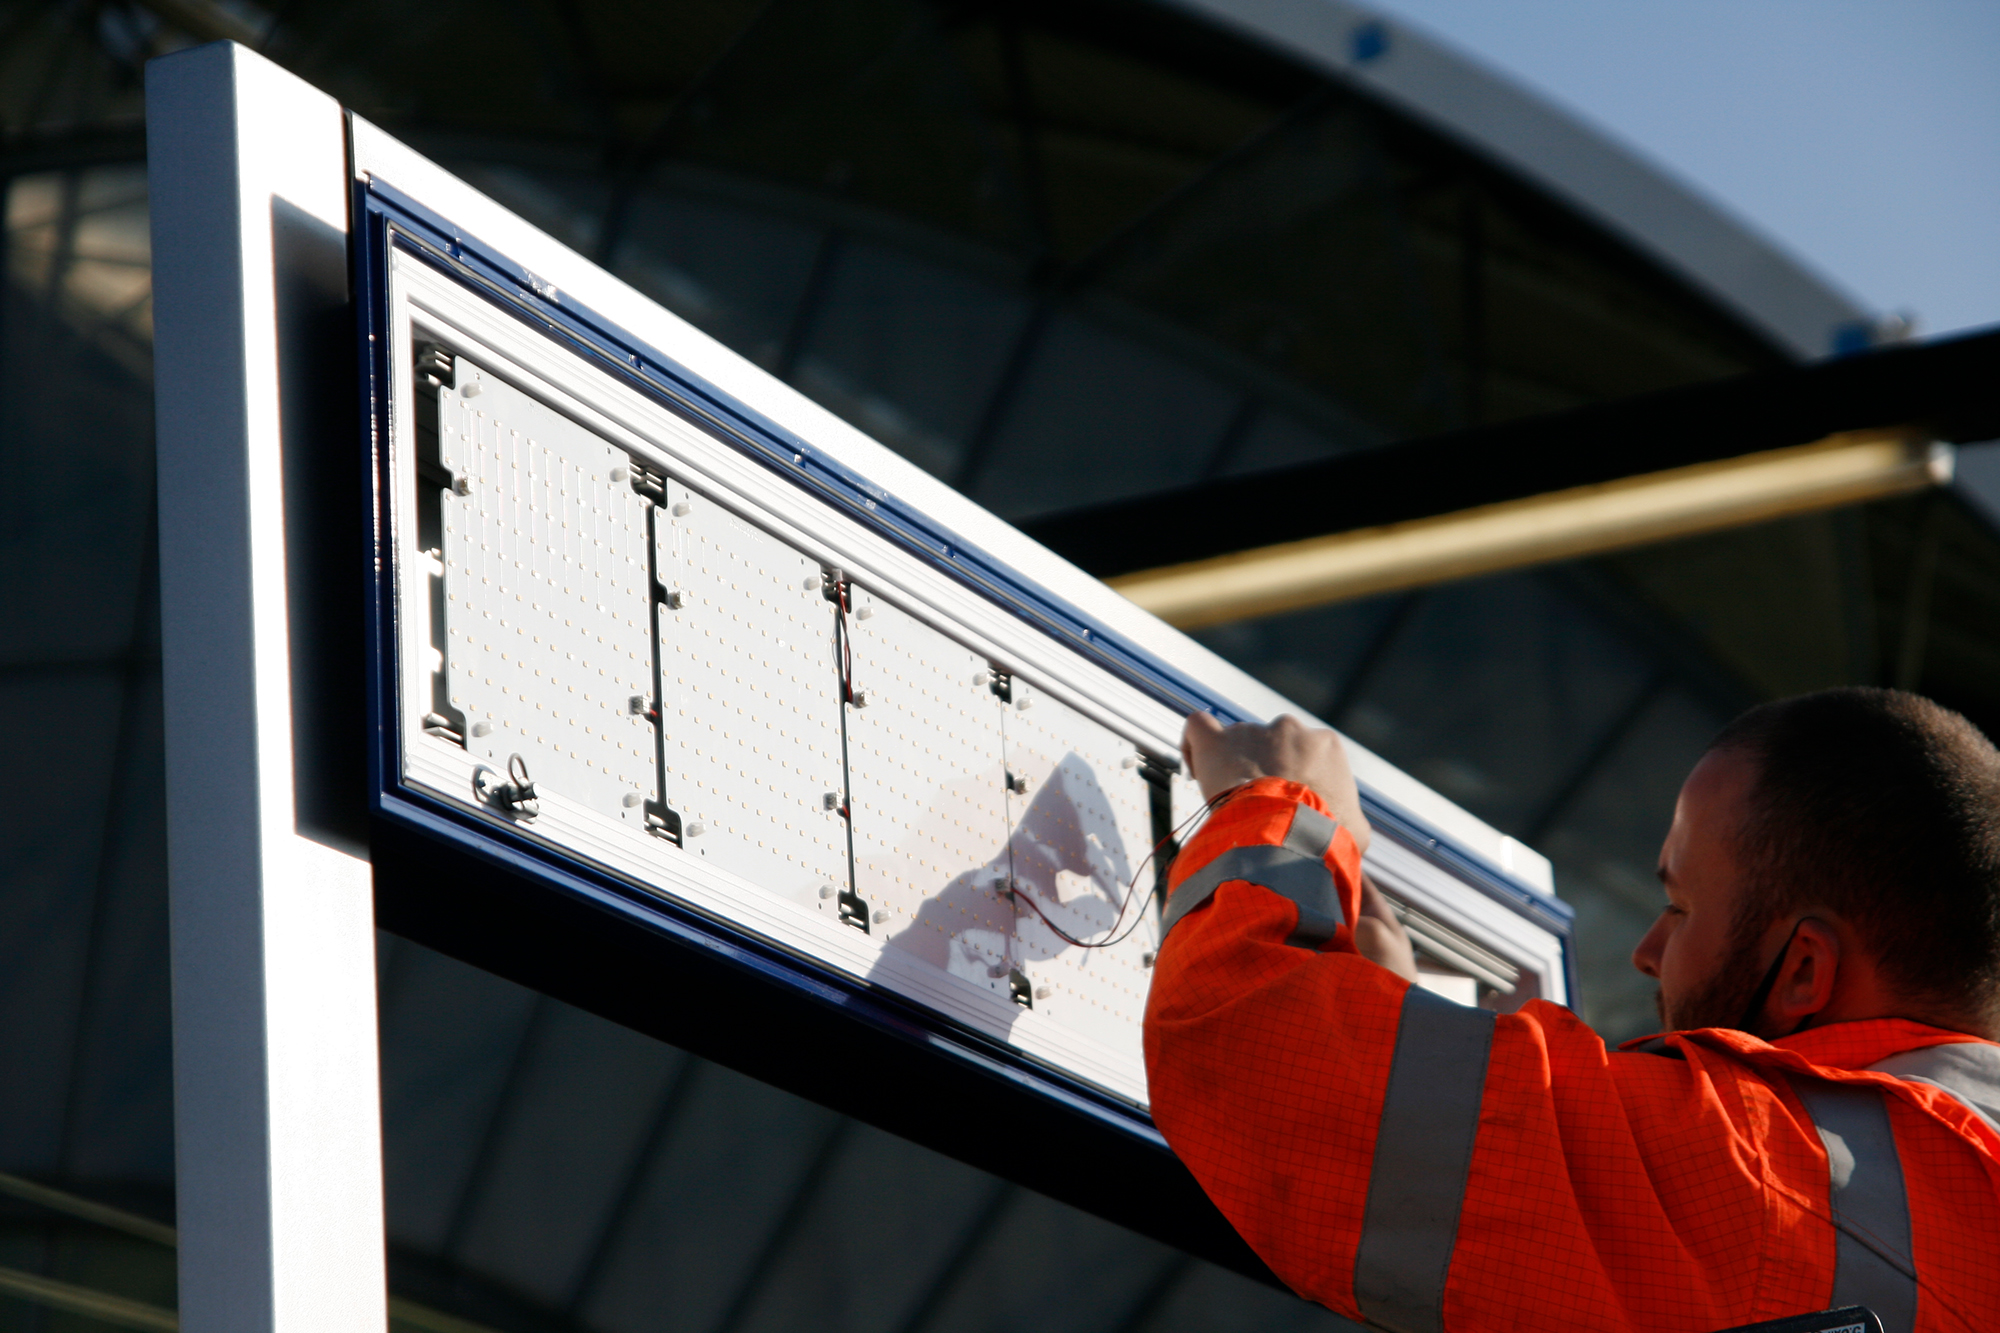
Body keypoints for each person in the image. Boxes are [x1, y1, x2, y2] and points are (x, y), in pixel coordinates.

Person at [1144, 688, 2000, 1333]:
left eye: (1680, 907)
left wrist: (1281, 807)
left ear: (1805, 970)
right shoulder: (1952, 1195)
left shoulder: (1772, 1176)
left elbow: (1234, 1025)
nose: (1647, 952)